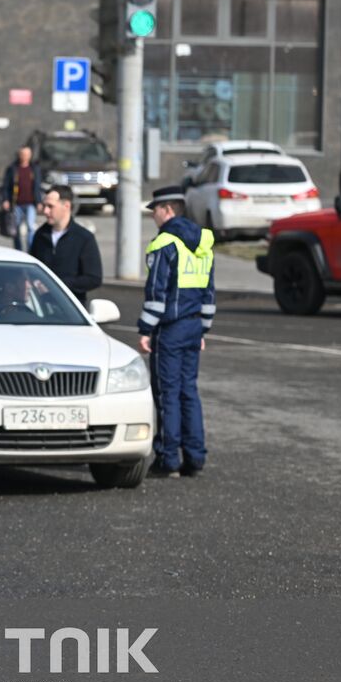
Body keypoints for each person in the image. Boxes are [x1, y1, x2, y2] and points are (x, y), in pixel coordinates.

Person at [137, 185, 216, 479]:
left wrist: (145, 330)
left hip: (169, 329)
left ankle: (168, 458)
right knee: (188, 392)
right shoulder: (204, 243)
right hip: (194, 326)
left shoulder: (164, 244)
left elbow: (156, 293)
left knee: (166, 393)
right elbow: (209, 294)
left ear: (167, 210)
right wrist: (203, 329)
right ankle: (195, 458)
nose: (153, 216)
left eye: (154, 210)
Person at [29, 184, 103, 305]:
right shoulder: (40, 235)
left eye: (50, 206)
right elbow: (31, 269)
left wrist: (57, 285)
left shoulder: (84, 238)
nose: (45, 211)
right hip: (41, 307)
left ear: (66, 206)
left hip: (72, 309)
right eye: (44, 206)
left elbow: (93, 278)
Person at [1, 145, 44, 252]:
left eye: (27, 154)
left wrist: (39, 202)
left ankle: (31, 249)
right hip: (16, 203)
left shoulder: (34, 169)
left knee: (30, 227)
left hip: (30, 203)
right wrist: (6, 199)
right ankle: (18, 249)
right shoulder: (13, 168)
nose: (25, 156)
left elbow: (37, 187)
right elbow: (6, 186)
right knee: (16, 229)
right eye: (23, 154)